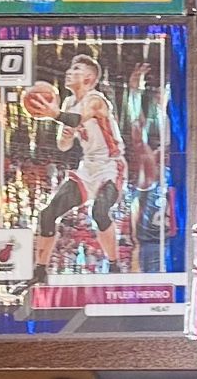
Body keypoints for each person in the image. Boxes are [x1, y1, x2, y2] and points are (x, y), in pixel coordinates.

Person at [31, 56, 128, 274]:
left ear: (89, 78)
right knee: (47, 214)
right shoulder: (68, 103)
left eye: (76, 69)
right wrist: (66, 135)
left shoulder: (96, 99)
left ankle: (114, 265)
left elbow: (75, 120)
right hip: (88, 165)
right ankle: (40, 270)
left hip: (111, 164)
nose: (69, 71)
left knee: (99, 211)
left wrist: (53, 114)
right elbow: (63, 145)